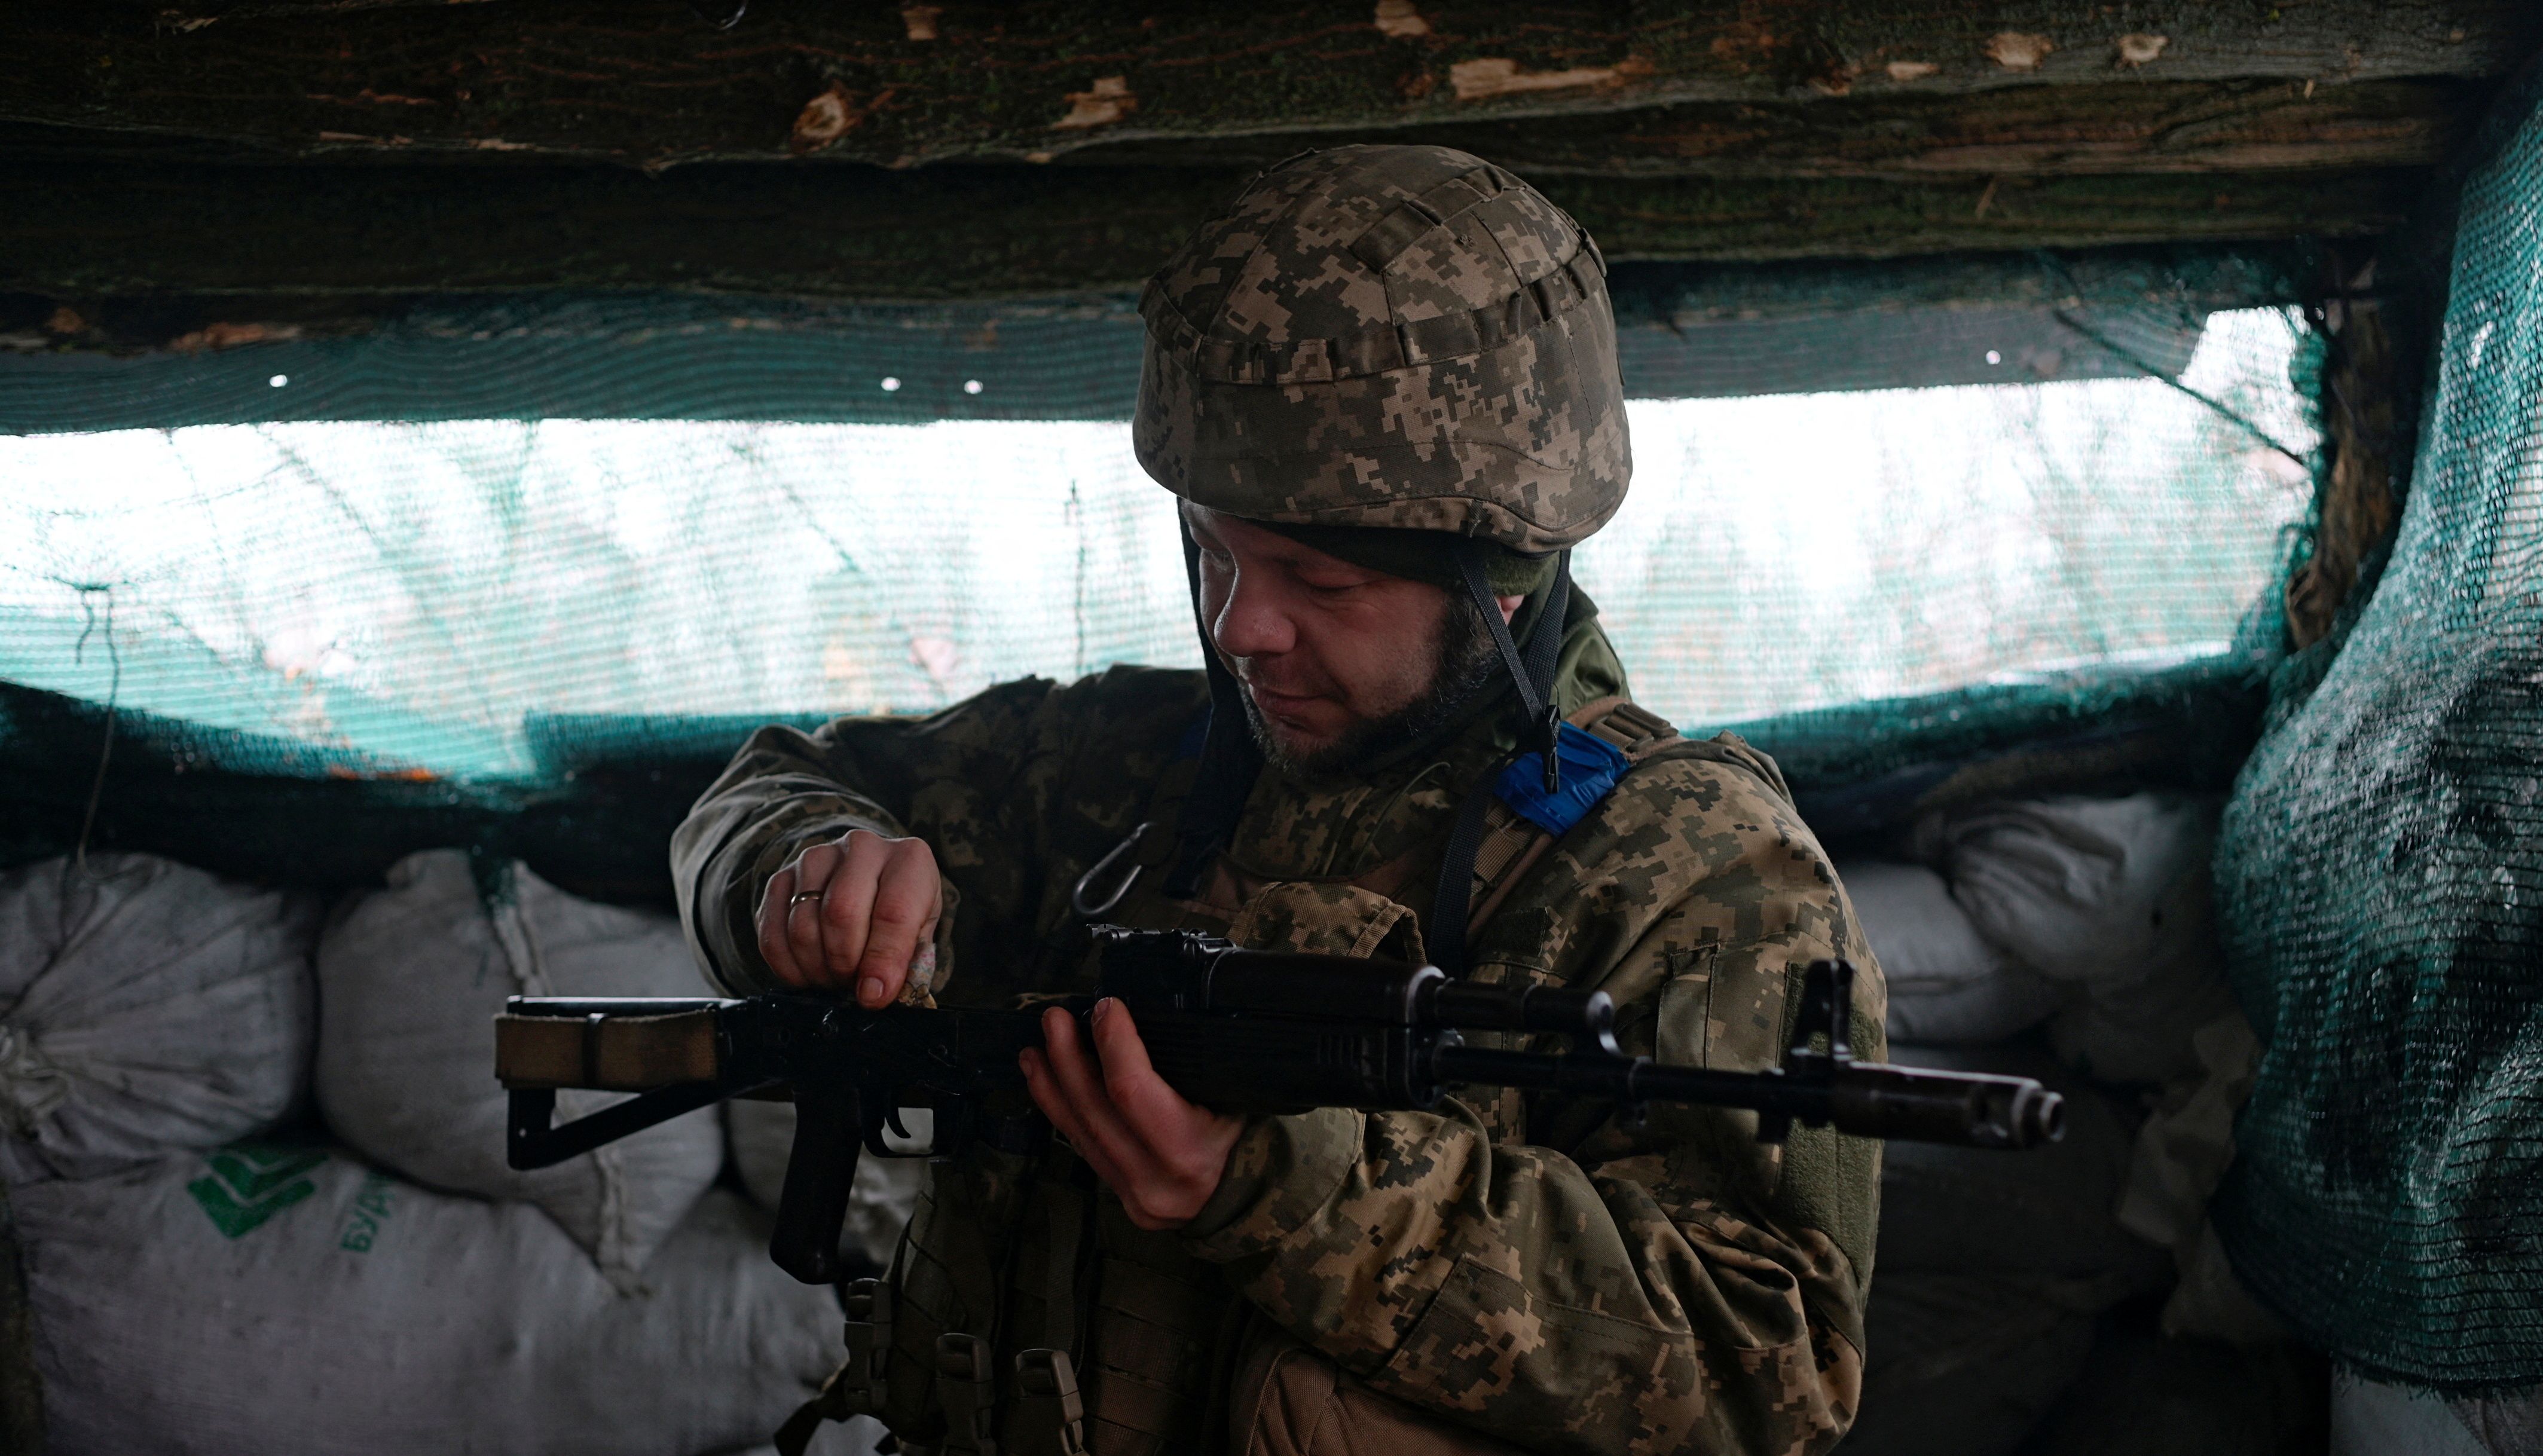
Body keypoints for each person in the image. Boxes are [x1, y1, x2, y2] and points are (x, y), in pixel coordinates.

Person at [673, 144, 1884, 1456]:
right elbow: (773, 784)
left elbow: (1766, 1364)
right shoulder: (1126, 766)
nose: (1240, 626)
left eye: (1321, 581)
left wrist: (1274, 1189)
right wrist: (805, 870)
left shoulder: (1690, 871)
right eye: (1211, 550)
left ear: (1507, 582)